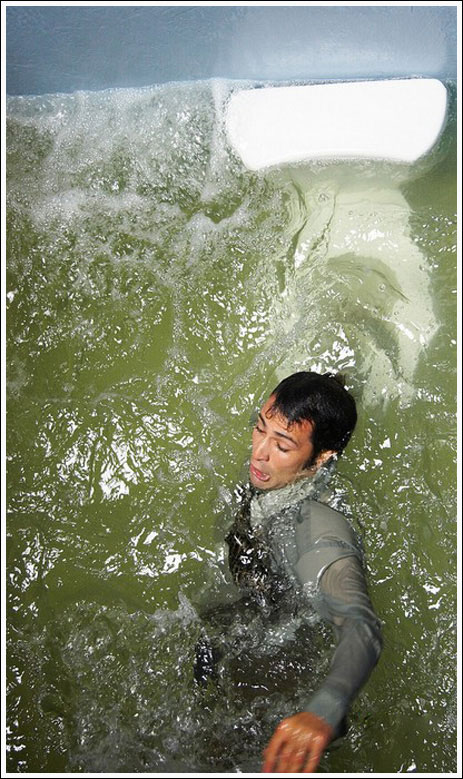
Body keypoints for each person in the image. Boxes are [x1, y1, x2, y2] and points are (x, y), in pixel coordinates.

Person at [195, 371, 382, 773]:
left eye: (281, 445)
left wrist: (325, 708)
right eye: (259, 428)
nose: (259, 453)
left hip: (276, 664)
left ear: (321, 458)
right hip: (240, 623)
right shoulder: (277, 474)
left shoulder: (314, 526)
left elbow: (360, 624)